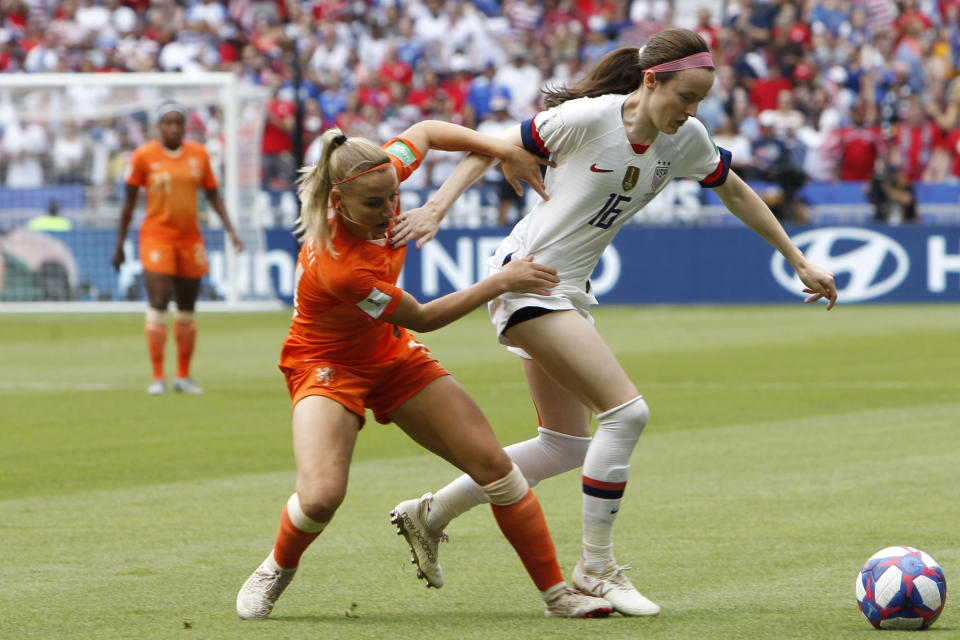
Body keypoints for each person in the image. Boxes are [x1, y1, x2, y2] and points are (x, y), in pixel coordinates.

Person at [389, 29, 838, 617]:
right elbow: (493, 146)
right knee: (628, 414)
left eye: (700, 101)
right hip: (528, 282)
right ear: (652, 81)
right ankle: (595, 568)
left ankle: (430, 513)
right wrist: (436, 206)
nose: (691, 111)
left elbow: (735, 192)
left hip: (567, 290)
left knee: (566, 445)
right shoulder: (588, 119)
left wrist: (797, 257)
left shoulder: (686, 139)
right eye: (685, 97)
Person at [234, 123, 614, 620]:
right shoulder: (340, 266)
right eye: (374, 205)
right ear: (338, 201)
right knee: (323, 496)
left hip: (391, 355)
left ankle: (557, 596)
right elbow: (425, 318)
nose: (389, 211)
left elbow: (430, 131)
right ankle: (276, 568)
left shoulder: (378, 169)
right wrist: (500, 281)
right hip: (326, 365)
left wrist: (501, 153)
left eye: (394, 196)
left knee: (495, 469)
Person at [111, 102, 244, 395]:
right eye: (167, 122)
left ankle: (183, 375)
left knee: (187, 309)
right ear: (158, 126)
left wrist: (232, 231)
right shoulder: (144, 156)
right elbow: (129, 202)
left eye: (178, 122)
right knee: (158, 302)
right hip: (156, 237)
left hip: (190, 239)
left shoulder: (198, 154)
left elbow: (213, 195)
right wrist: (119, 245)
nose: (173, 127)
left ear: (185, 126)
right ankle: (158, 377)